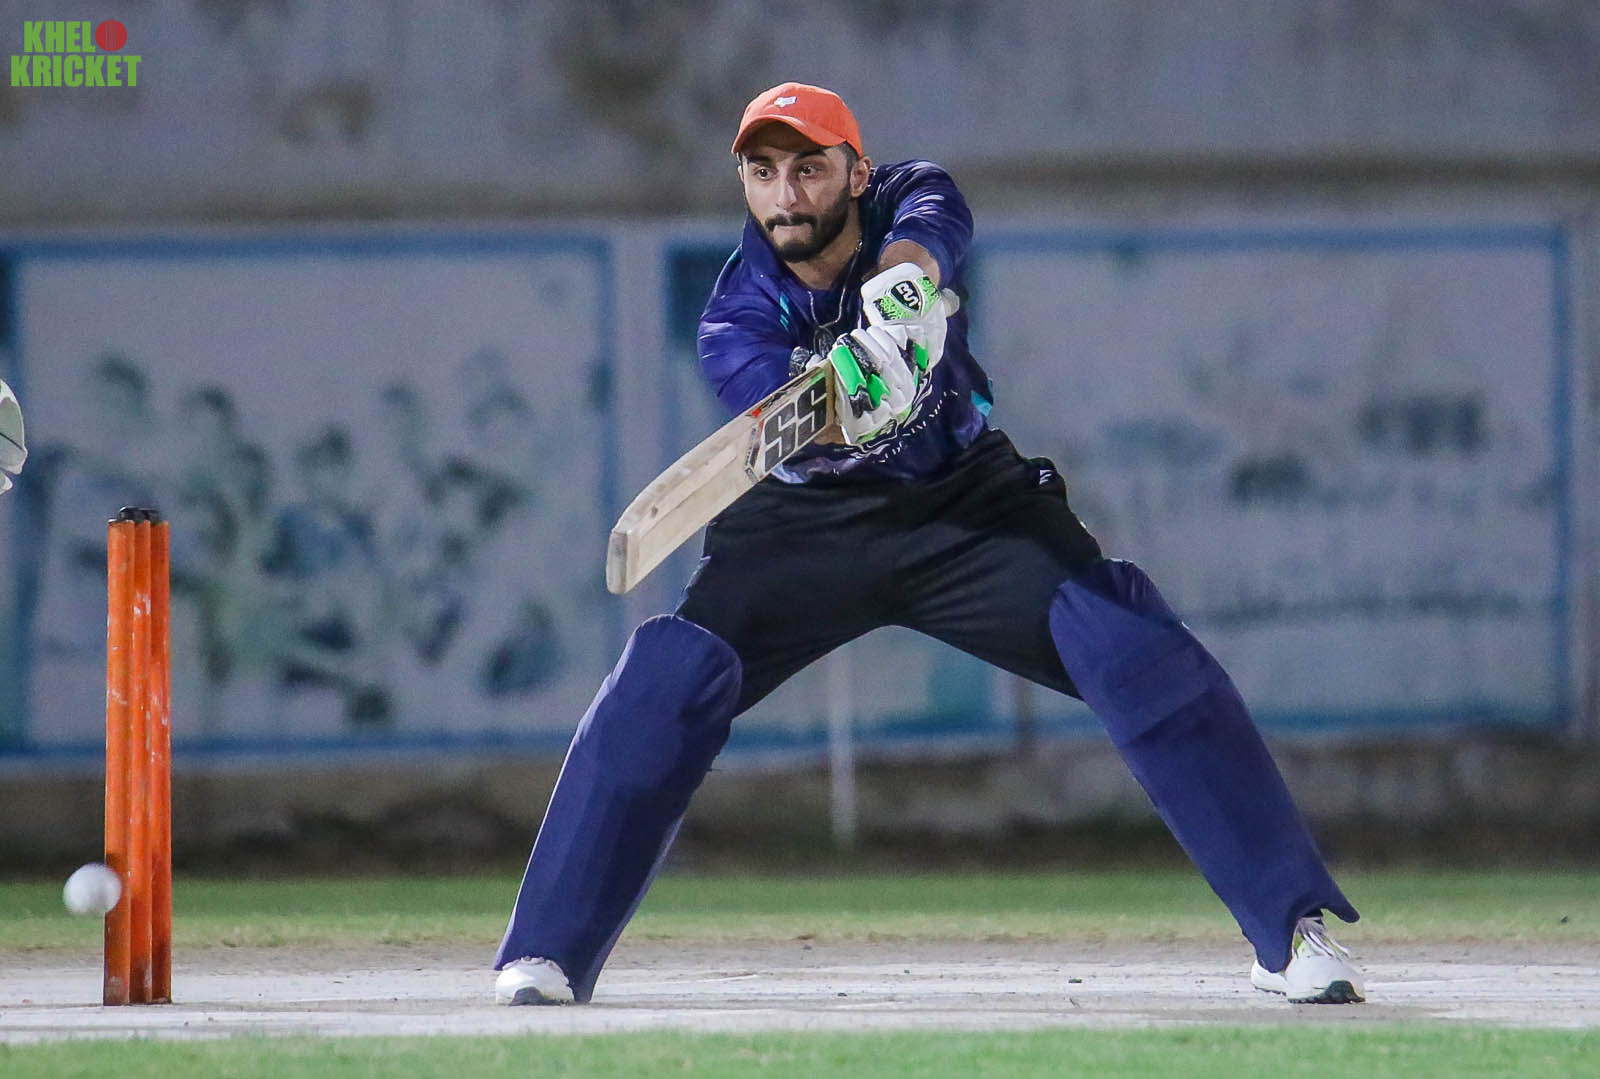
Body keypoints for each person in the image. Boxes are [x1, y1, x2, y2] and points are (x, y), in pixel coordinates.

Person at [495, 82, 1365, 1007]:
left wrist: (904, 297)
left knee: (1132, 645)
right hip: (804, 527)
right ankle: (547, 952)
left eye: (809, 168)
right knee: (665, 679)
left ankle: (1288, 930)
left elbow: (930, 227)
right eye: (763, 172)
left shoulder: (911, 193)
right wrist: (851, 395)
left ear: (855, 173)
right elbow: (800, 417)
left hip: (967, 503)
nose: (786, 194)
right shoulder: (733, 318)